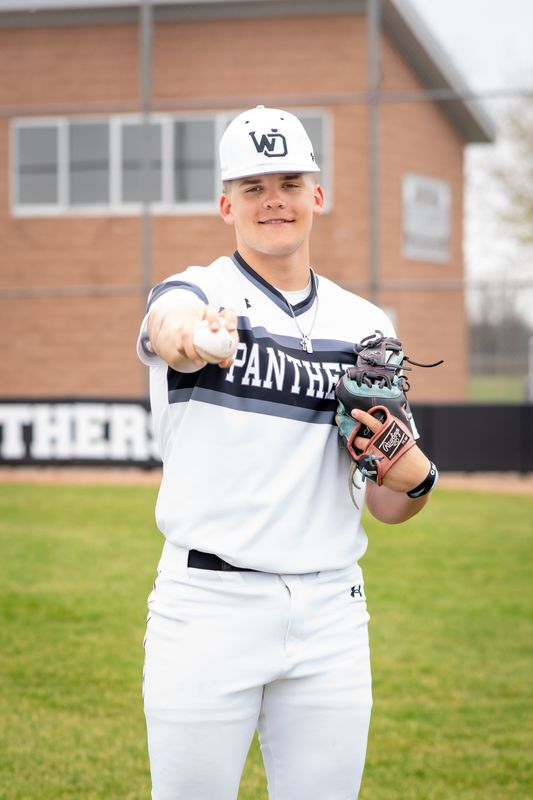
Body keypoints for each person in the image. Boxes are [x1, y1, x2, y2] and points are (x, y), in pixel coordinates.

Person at [137, 105, 437, 800]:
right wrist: (196, 337)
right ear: (225, 204)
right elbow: (166, 326)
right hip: (208, 605)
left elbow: (389, 500)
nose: (273, 200)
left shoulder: (365, 324)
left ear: (317, 195)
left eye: (289, 182)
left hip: (332, 608)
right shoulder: (202, 291)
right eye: (252, 186)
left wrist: (416, 477)